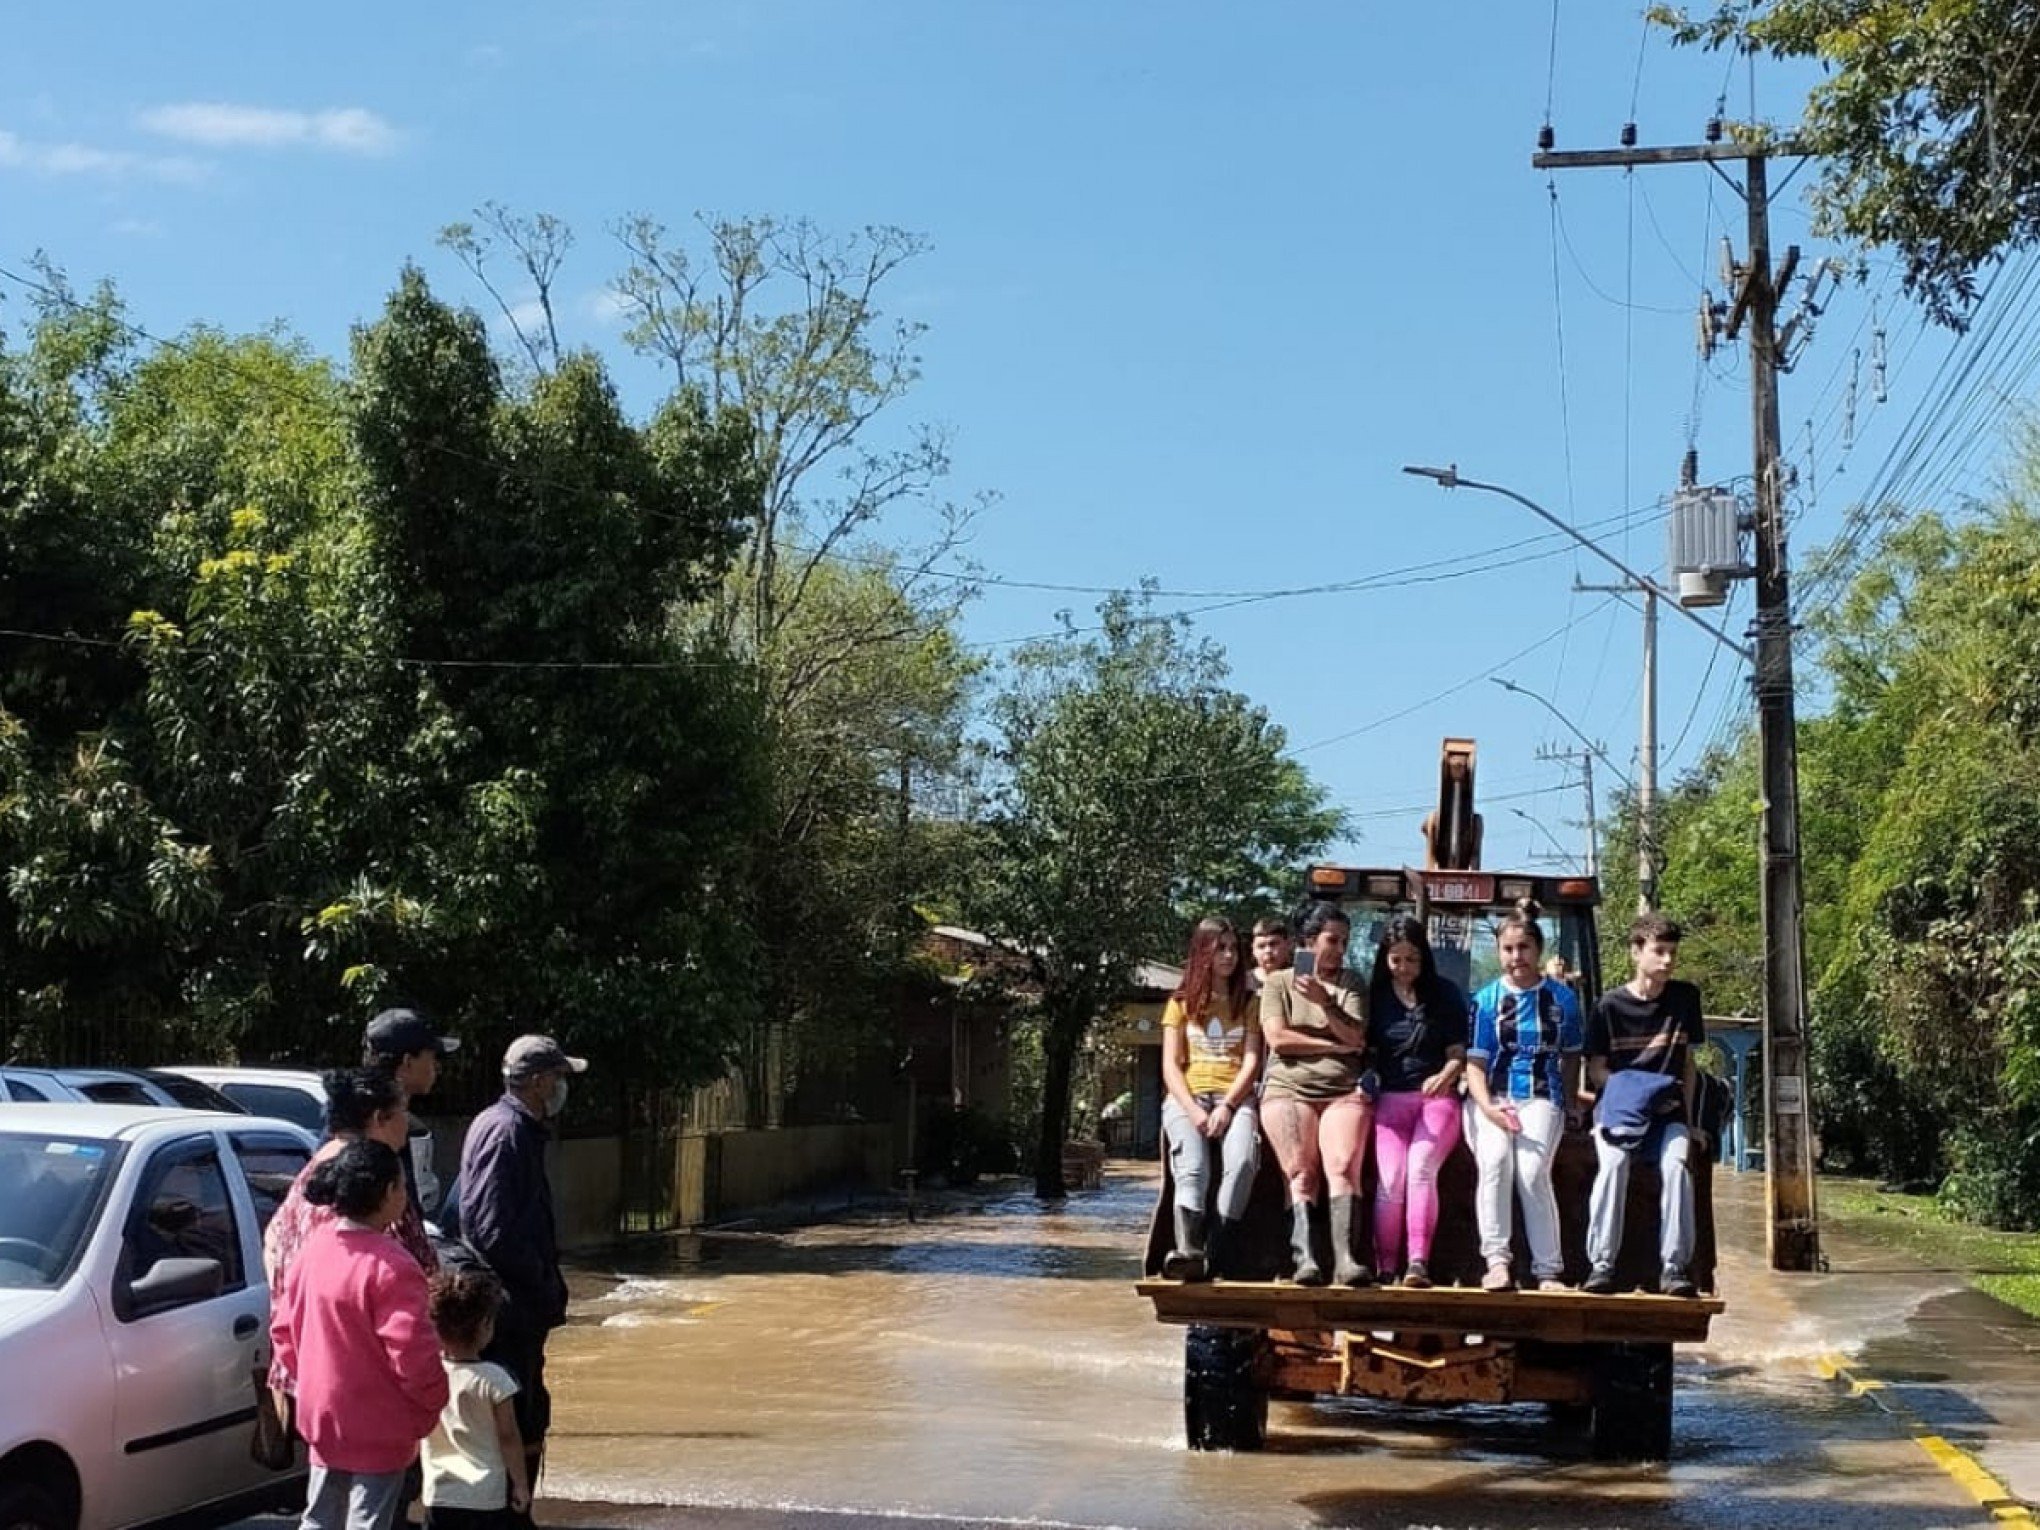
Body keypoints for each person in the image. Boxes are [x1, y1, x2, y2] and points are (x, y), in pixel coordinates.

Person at [270, 1139, 449, 1530]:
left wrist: (315, 1384)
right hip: (380, 1425)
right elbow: (413, 1356)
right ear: (388, 1193)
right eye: (402, 1187)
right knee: (368, 1521)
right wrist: (434, 1402)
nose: (406, 1196)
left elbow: (283, 1332)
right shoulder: (393, 1266)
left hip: (322, 1416)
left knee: (319, 1517)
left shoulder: (313, 1251)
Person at [459, 1034, 587, 1520]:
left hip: (517, 1307)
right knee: (517, 1416)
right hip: (509, 1309)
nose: (559, 1087)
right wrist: (541, 1282)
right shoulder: (506, 1132)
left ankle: (516, 1510)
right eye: (556, 1077)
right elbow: (491, 1231)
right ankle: (511, 1511)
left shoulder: (515, 1128)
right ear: (535, 1081)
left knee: (529, 1410)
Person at [266, 1070, 437, 1399]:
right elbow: (421, 1275)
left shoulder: (315, 1170)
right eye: (402, 1110)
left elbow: (273, 1252)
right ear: (379, 1118)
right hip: (363, 1386)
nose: (408, 1120)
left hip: (308, 1376)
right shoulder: (377, 1184)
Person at [1582, 913, 1709, 1298]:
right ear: (1636, 953)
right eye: (1659, 952)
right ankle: (1601, 1265)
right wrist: (1630, 1089)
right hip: (1618, 1114)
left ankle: (1674, 1269)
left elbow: (1687, 1064)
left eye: (1672, 952)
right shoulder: (1608, 1006)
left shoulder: (1685, 999)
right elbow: (1596, 1069)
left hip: (1667, 1115)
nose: (1668, 961)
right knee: (1615, 1166)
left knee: (1676, 1169)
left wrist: (1689, 1121)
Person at [1464, 899, 1584, 1292]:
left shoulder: (1563, 1000)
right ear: (1499, 952)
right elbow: (1475, 1066)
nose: (1517, 956)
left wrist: (1568, 1105)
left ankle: (1548, 1271)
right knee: (1496, 1162)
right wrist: (1488, 1109)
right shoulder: (1484, 1001)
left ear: (1538, 951)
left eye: (1524, 948)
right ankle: (1497, 1262)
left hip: (1541, 1095)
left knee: (1532, 1171)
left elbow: (1570, 1058)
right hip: (1490, 1097)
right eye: (1508, 949)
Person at [1259, 901, 1372, 1286]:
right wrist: (1334, 1046)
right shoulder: (1278, 983)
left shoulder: (1351, 983)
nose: (1340, 950)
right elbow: (1278, 1039)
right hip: (1288, 1089)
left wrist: (1326, 1004)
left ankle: (1346, 1260)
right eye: (1332, 940)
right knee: (1301, 1171)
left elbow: (1356, 1036)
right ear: (1309, 941)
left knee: (1341, 1165)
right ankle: (1305, 1259)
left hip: (1342, 1090)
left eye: (1344, 942)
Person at [1158, 916, 1265, 1282]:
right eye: (1221, 948)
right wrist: (1192, 1110)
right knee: (1193, 1167)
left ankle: (1219, 1249)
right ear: (1203, 951)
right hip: (1187, 1098)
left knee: (1243, 1164)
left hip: (1235, 1099)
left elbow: (1252, 1060)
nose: (1230, 956)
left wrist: (1228, 1106)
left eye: (1234, 948)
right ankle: (1188, 1249)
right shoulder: (1179, 1003)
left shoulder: (1250, 1002)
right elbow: (1171, 1067)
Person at [1365, 916, 1469, 1289]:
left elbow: (1458, 1051)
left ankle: (1417, 1263)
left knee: (1421, 1166)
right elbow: (1367, 1052)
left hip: (1436, 1100)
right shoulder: (1374, 999)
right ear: (1385, 960)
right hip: (1391, 1101)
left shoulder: (1445, 995)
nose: (1405, 968)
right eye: (1397, 960)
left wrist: (1446, 1074)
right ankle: (1386, 1267)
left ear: (1423, 958)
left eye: (1412, 959)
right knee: (1391, 1179)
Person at [423, 1269, 531, 1530]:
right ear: (485, 1325)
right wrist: (520, 1484)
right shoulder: (495, 1379)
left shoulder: (430, 1372)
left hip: (438, 1491)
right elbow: (508, 1436)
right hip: (484, 1496)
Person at [364, 1007, 460, 1217]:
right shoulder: (376, 1124)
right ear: (408, 1062)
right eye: (432, 1057)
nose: (437, 1067)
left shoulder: (371, 1113)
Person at [1247, 916, 1292, 993]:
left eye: (1273, 944)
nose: (1268, 951)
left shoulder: (1298, 979)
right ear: (1253, 950)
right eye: (1261, 946)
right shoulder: (1243, 983)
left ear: (1288, 945)